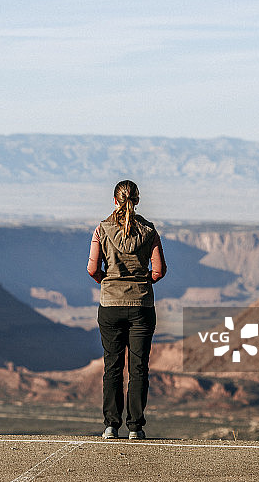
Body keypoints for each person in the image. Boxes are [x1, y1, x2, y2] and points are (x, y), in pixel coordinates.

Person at [87, 179, 167, 439]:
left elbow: (92, 269)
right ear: (138, 200)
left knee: (112, 366)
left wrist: (107, 282)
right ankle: (136, 427)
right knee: (138, 368)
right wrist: (142, 282)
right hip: (141, 306)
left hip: (110, 306)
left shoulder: (101, 230)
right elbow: (159, 271)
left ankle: (111, 426)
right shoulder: (149, 231)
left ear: (114, 201)